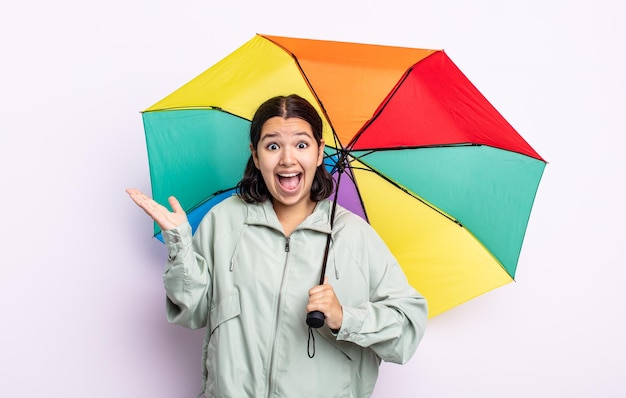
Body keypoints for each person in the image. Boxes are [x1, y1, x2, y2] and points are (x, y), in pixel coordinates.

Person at [127, 94, 427, 398]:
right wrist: (179, 243)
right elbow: (193, 312)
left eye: (301, 144)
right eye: (272, 146)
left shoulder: (354, 236)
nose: (287, 159)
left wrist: (343, 318)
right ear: (255, 156)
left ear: (320, 151)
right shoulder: (225, 220)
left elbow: (405, 332)